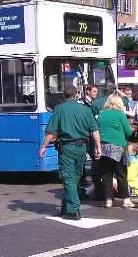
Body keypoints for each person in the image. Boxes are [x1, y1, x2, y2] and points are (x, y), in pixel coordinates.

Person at [39, 86, 102, 220]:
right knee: (75, 177)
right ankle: (65, 206)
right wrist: (98, 147)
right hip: (82, 148)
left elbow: (51, 132)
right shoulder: (85, 109)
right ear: (76, 94)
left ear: (63, 95)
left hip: (67, 147)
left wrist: (43, 146)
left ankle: (73, 209)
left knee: (68, 177)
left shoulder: (60, 109)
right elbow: (94, 130)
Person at [96, 93, 135, 209]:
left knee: (107, 175)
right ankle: (126, 200)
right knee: (121, 174)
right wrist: (132, 129)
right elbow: (128, 132)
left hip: (103, 147)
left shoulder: (101, 114)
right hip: (118, 148)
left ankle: (108, 200)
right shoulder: (120, 115)